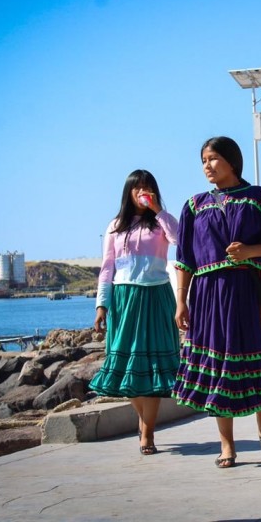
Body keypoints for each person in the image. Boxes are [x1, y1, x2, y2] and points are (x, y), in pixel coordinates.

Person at [172, 136, 261, 469]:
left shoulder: (260, 199)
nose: (207, 165)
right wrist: (181, 302)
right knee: (217, 370)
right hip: (206, 297)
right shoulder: (193, 206)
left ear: (233, 161)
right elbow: (185, 259)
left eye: (213, 158)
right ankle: (227, 446)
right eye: (203, 159)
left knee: (251, 360)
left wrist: (248, 251)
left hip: (247, 293)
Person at [89, 170, 181, 456]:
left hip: (156, 294)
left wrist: (158, 210)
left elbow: (180, 240)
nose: (143, 192)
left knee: (153, 368)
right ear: (128, 193)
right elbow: (107, 267)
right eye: (137, 188)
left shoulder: (161, 222)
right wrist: (101, 304)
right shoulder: (116, 226)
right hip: (124, 297)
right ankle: (144, 422)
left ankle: (148, 433)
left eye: (148, 187)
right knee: (129, 368)